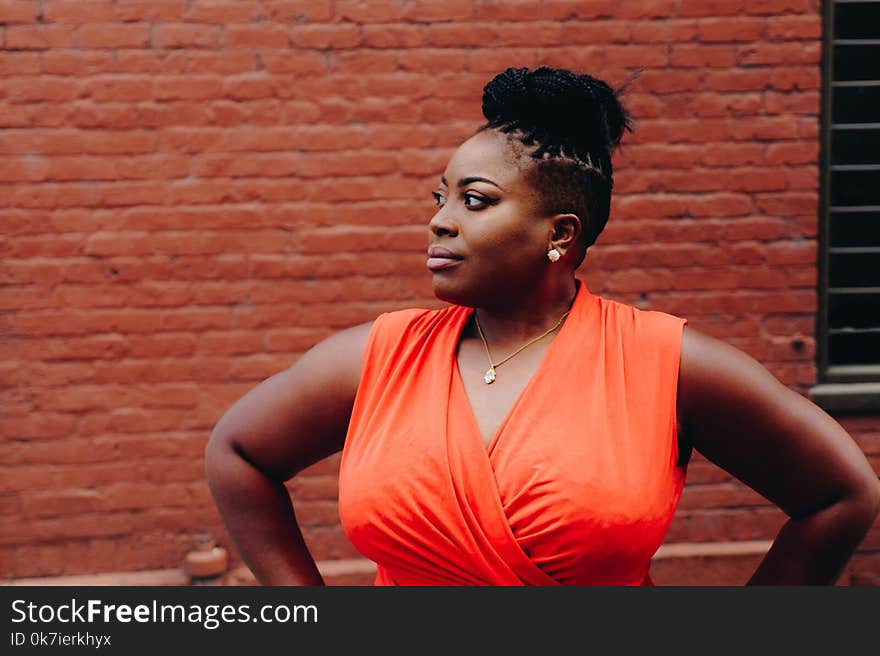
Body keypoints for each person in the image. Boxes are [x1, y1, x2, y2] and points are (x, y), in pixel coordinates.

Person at [205, 66, 880, 586]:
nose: (440, 219)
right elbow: (237, 453)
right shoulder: (377, 358)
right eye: (440, 197)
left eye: (475, 201)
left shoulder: (665, 364)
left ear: (560, 233)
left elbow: (840, 495)